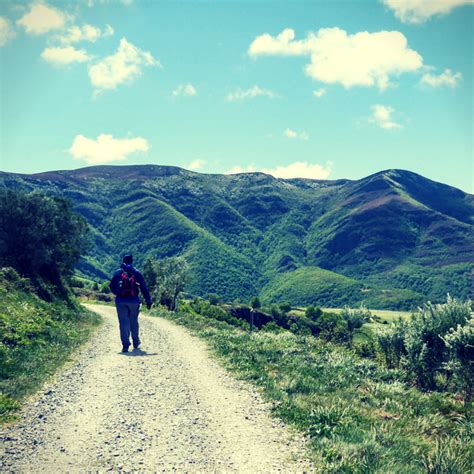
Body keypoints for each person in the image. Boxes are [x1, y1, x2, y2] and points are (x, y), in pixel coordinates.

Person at [110, 254, 152, 353]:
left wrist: (118, 293)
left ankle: (125, 345)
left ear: (123, 261)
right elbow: (144, 288)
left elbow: (111, 286)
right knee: (133, 321)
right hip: (133, 300)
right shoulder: (136, 273)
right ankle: (136, 342)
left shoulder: (118, 272)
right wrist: (148, 300)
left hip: (121, 301)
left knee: (123, 323)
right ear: (132, 261)